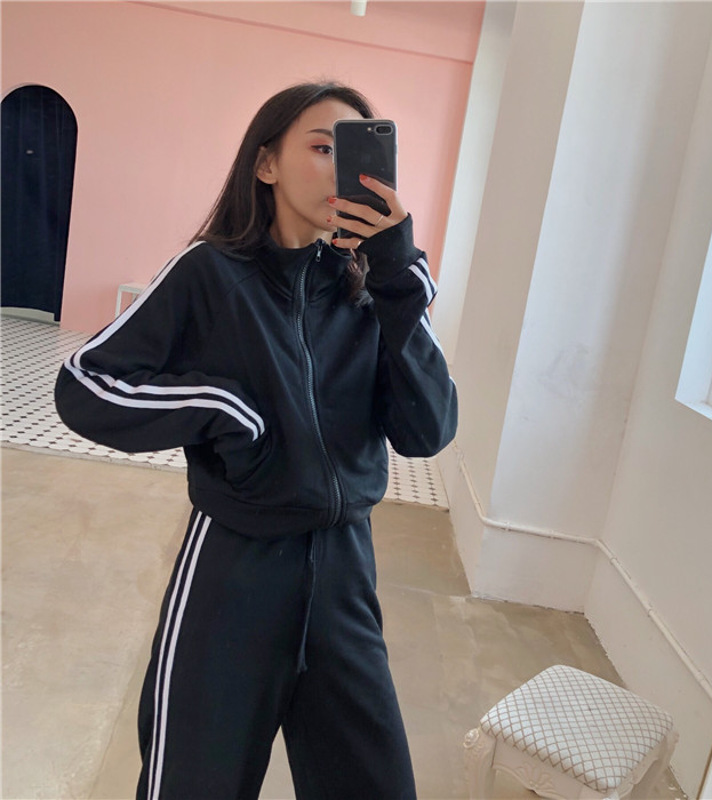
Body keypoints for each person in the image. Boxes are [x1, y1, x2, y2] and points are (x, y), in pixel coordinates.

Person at [54, 81, 457, 800]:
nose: (340, 169)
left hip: (344, 577)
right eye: (322, 147)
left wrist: (398, 274)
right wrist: (222, 408)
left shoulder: (375, 290)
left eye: (353, 153)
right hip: (232, 575)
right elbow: (86, 382)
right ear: (265, 164)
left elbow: (428, 430)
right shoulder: (210, 273)